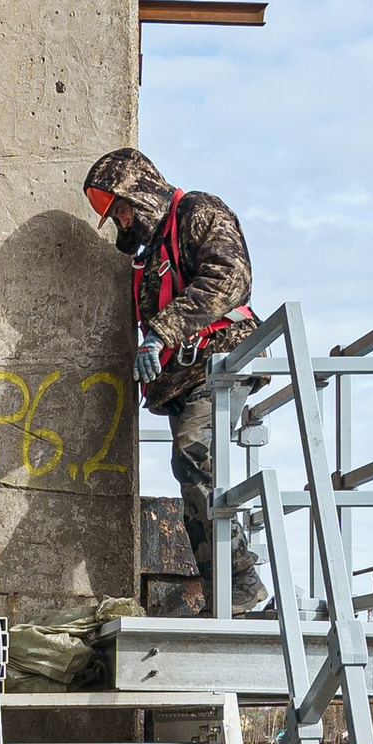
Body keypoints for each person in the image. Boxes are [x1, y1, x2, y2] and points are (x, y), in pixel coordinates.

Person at [82, 147, 267, 616]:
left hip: (223, 359)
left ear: (139, 191)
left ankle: (242, 581)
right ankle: (226, 592)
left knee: (193, 453)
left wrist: (161, 332)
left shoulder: (199, 212)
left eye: (121, 209)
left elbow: (231, 279)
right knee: (191, 482)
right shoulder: (146, 265)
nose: (122, 222)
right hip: (183, 378)